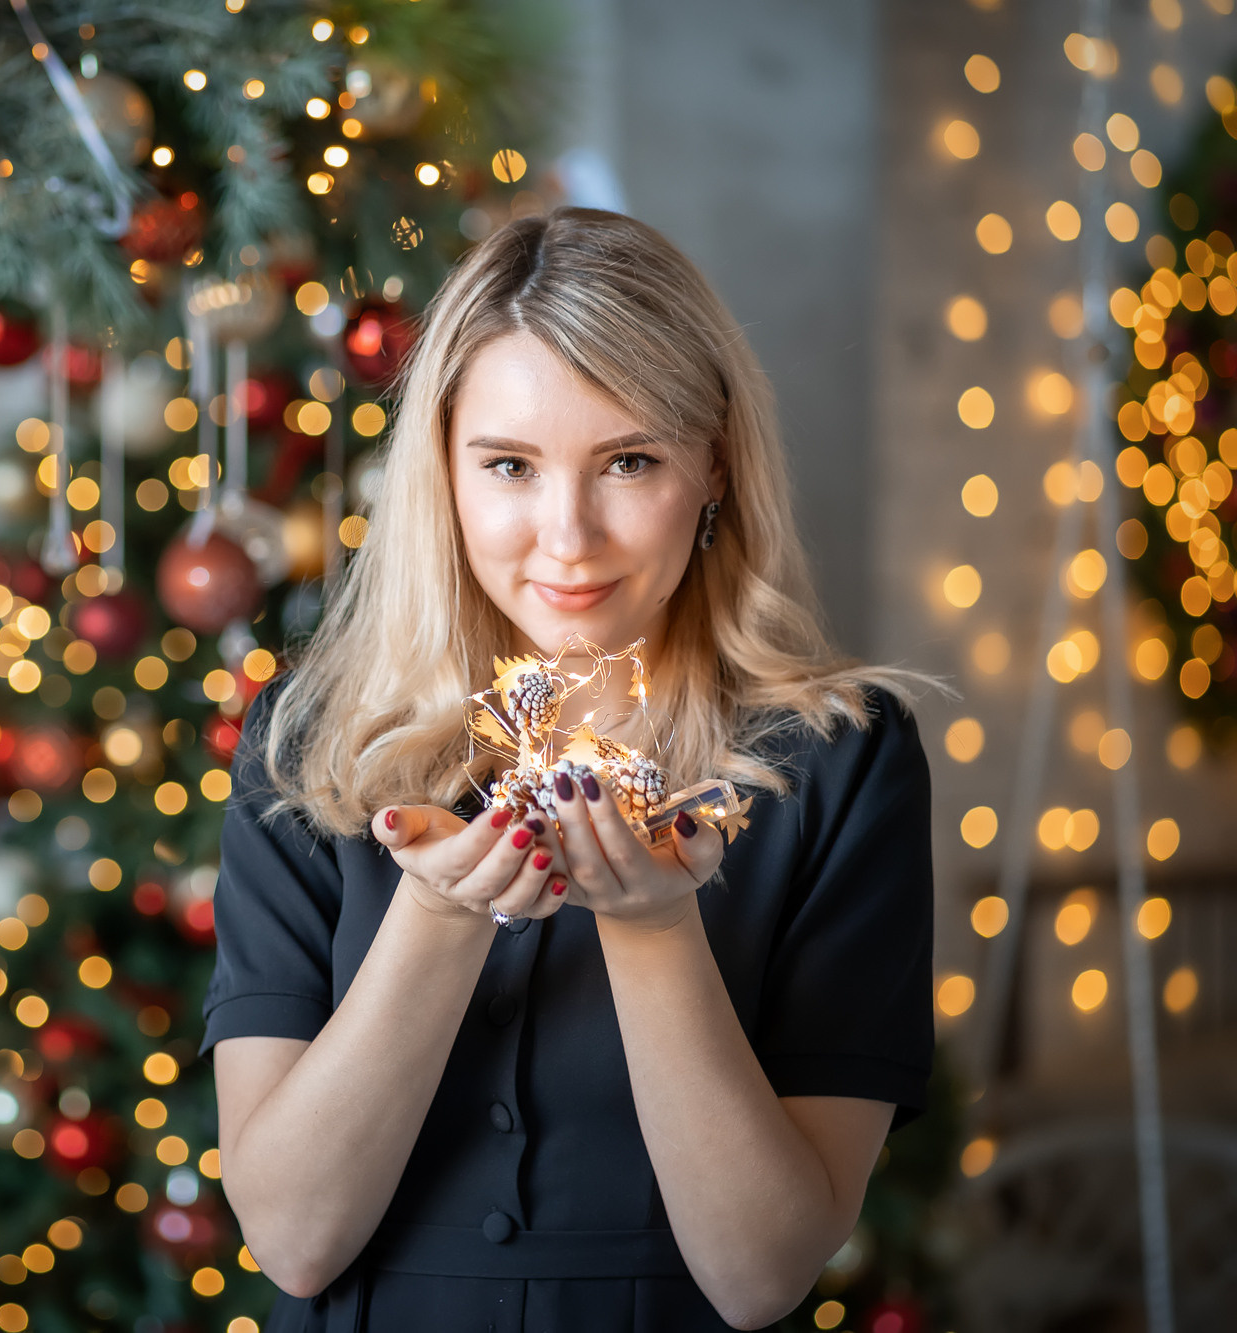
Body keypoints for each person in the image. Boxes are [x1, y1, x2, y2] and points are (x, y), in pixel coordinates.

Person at [204, 207, 935, 1332]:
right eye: (509, 465)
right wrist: (437, 915)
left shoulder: (840, 759)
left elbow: (760, 1275)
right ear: (442, 472)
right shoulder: (309, 745)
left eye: (628, 461)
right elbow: (295, 1240)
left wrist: (654, 928)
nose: (567, 535)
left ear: (715, 466)